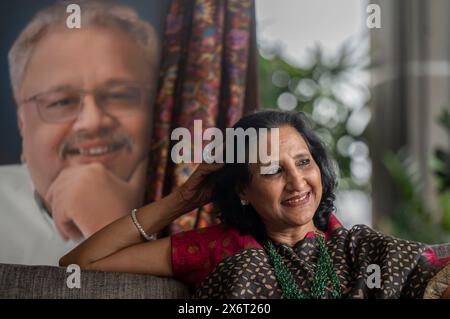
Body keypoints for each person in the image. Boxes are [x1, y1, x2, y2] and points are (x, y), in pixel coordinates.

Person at [60, 110, 450, 299]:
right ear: (243, 190)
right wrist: (181, 201)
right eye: (271, 170)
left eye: (303, 162)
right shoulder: (218, 248)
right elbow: (77, 267)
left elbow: (430, 272)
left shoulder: (352, 247)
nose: (297, 182)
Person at [0, 0, 160, 265]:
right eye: (61, 101)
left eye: (120, 95)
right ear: (21, 124)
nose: (92, 122)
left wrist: (117, 230)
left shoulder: (202, 213)